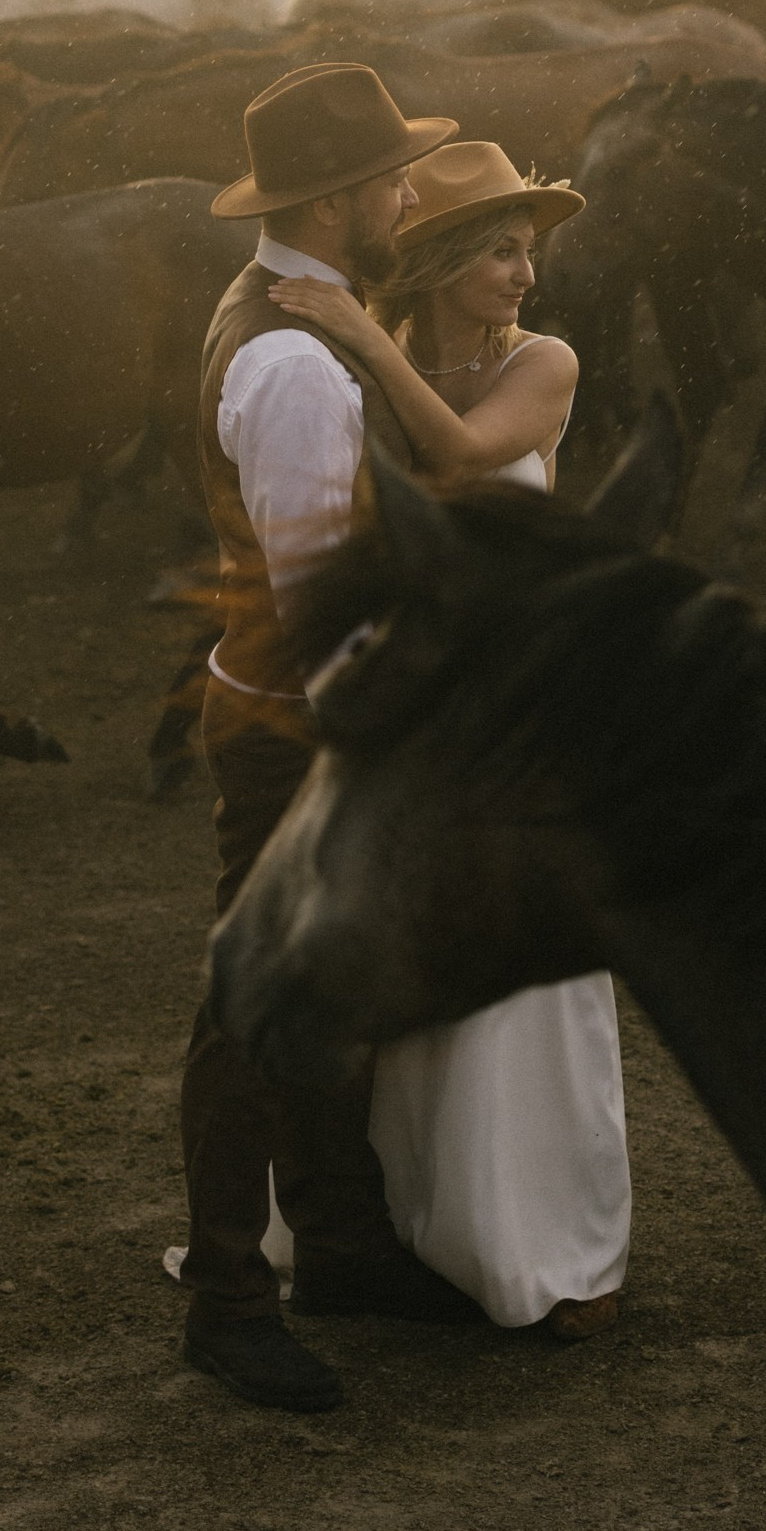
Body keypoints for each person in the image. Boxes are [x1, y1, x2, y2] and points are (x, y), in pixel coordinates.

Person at [266, 136, 632, 1340]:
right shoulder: (369, 361)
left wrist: (366, 338)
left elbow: (467, 456)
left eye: (528, 251)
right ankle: (426, 1230)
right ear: (439, 261)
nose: (526, 273)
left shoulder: (543, 361)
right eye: (501, 251)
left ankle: (552, 1244)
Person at [178, 61, 490, 1415]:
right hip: (296, 720)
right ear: (333, 202)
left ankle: (341, 1242)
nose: (410, 197)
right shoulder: (295, 362)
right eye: (391, 180)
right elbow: (317, 595)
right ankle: (228, 1298)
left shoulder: (281, 314)